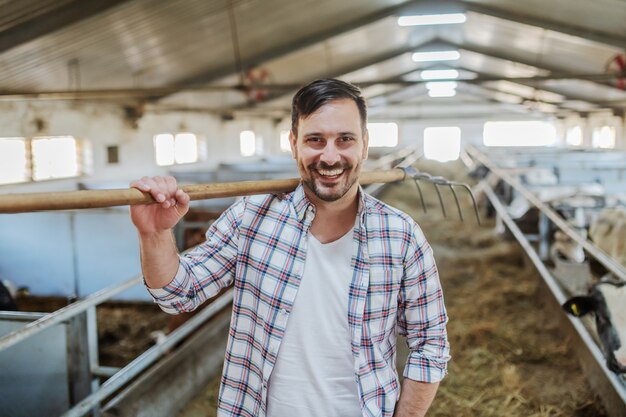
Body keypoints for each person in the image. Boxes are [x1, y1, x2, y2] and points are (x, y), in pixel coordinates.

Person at [130, 79, 450, 417]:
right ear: (294, 144)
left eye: (345, 139)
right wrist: (154, 233)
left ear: (365, 145)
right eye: (315, 140)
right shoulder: (251, 217)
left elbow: (431, 343)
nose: (330, 156)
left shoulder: (400, 235)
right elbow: (178, 293)